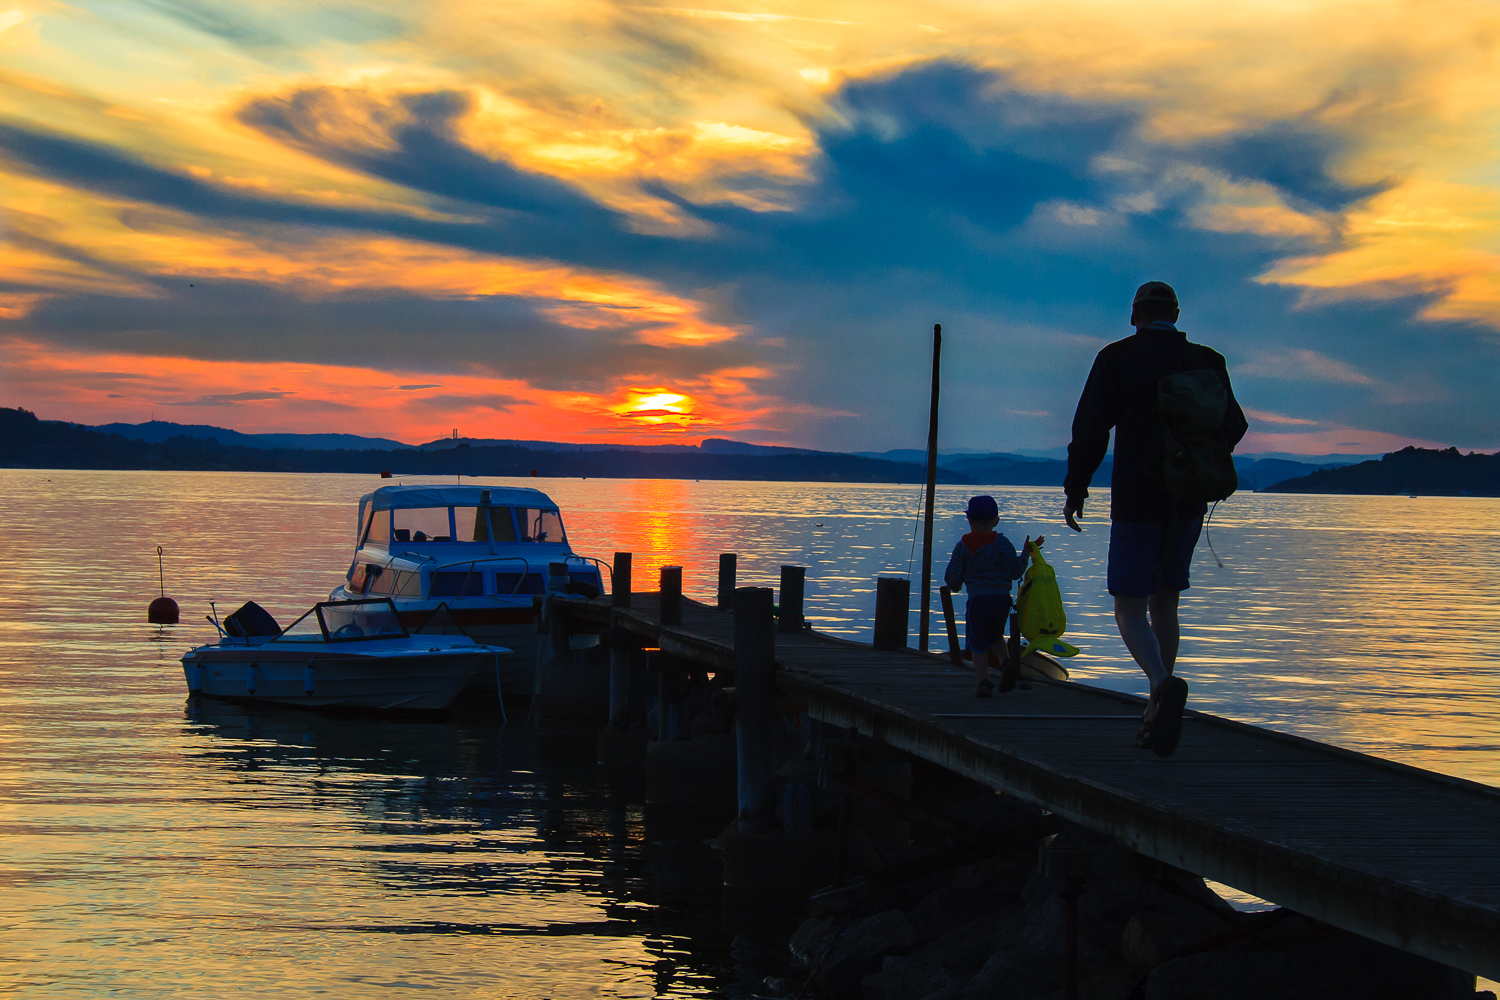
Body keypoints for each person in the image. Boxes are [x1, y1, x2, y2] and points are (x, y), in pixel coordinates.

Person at [1063, 281, 1248, 756]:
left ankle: (1161, 685)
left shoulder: (1118, 357)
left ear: (1135, 315)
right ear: (1177, 314)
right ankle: (1154, 710)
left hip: (1136, 497)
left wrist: (1076, 486)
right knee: (1165, 602)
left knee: (1128, 604)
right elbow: (1234, 426)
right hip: (1188, 499)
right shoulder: (1208, 360)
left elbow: (1090, 428)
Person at [944, 495, 1042, 697]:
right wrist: (1025, 553)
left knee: (977, 643)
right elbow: (1016, 572)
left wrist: (954, 586)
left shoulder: (963, 546)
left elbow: (953, 579)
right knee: (995, 634)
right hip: (1001, 600)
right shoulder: (1004, 544)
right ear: (996, 521)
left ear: (969, 520)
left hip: (979, 600)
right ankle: (1006, 663)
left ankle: (984, 682)